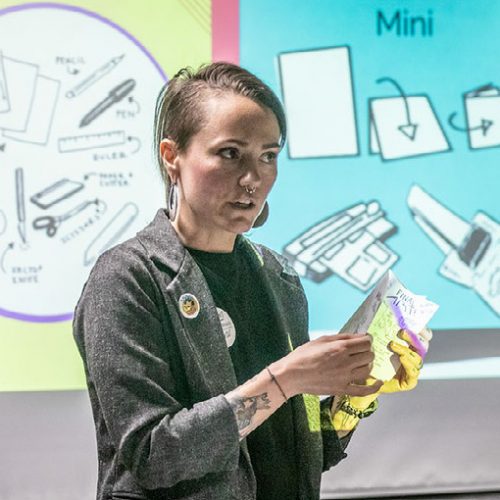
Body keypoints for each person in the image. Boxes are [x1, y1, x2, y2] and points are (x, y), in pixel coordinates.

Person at [73, 62, 428, 500]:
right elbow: (154, 453)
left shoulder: (279, 278)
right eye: (229, 153)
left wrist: (356, 392)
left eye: (268, 156)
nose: (253, 178)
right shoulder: (128, 277)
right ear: (172, 156)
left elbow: (301, 450)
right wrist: (285, 379)